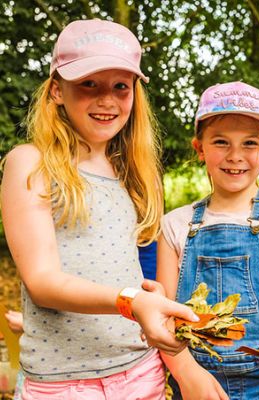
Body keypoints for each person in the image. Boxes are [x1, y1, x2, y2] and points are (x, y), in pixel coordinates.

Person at [0, 19, 199, 399]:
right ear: (57, 90)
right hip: (63, 385)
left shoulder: (135, 174)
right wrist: (132, 302)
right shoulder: (30, 163)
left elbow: (142, 272)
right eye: (88, 84)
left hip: (141, 373)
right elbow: (42, 282)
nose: (107, 100)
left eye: (120, 86)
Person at [157, 81, 259, 399]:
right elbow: (166, 318)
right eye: (221, 142)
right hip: (197, 383)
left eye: (249, 143)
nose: (235, 156)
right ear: (200, 148)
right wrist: (186, 374)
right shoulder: (175, 225)